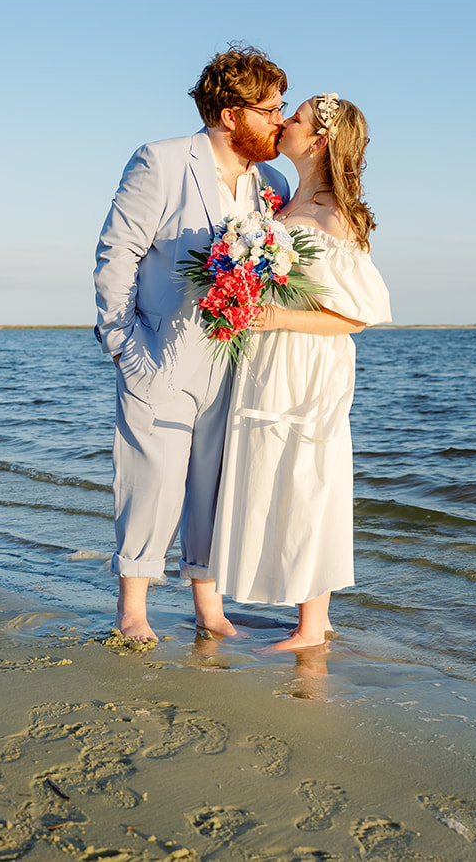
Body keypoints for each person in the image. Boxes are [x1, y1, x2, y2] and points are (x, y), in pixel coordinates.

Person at [93, 46, 293, 642]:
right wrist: (122, 343)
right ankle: (133, 609)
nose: (280, 121)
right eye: (270, 110)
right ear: (231, 115)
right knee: (151, 479)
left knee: (216, 482)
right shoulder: (160, 161)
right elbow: (118, 252)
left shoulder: (273, 183)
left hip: (237, 360)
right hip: (159, 350)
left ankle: (209, 608)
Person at [210, 94, 390, 650]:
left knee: (310, 476)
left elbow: (358, 316)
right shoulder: (285, 201)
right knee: (279, 473)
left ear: (318, 141)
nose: (284, 121)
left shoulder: (337, 214)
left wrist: (275, 317)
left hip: (309, 363)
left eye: (297, 117)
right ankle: (305, 617)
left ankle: (313, 626)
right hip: (270, 359)